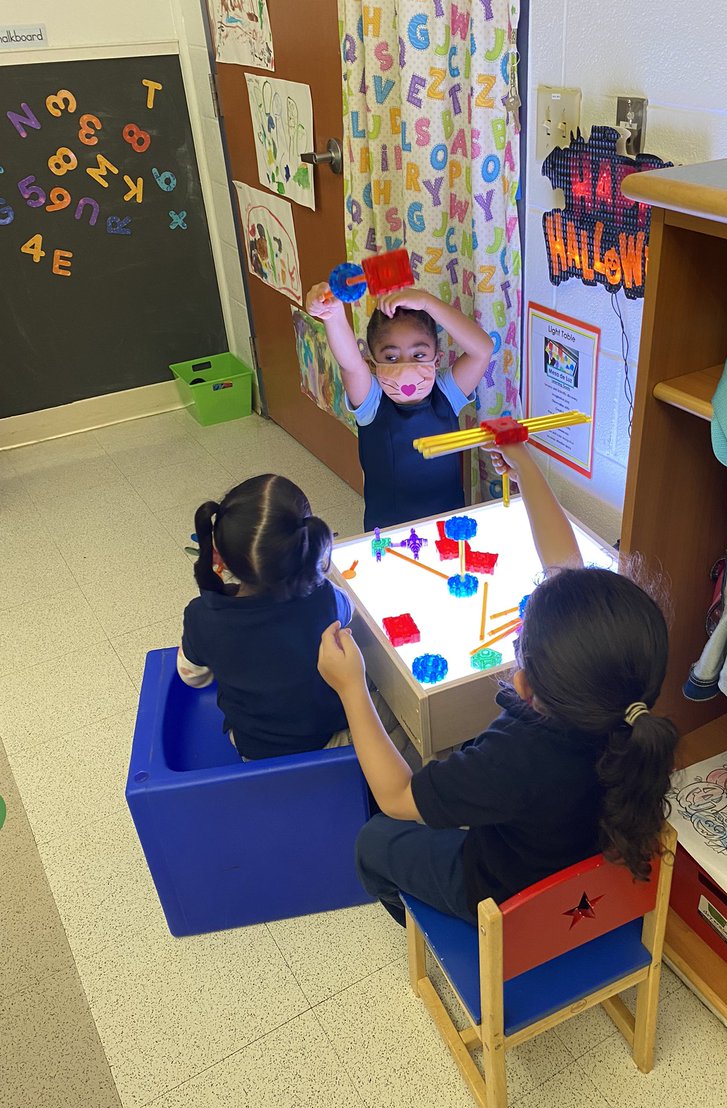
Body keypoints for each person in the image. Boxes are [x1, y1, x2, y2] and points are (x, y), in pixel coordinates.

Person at [317, 442, 678, 925]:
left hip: (502, 896)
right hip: (582, 868)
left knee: (375, 840)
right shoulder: (624, 696)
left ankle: (438, 930)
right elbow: (568, 573)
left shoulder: (511, 757)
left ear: (525, 684)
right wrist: (524, 464)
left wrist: (352, 689)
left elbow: (398, 797)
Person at [177, 474, 353, 761]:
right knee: (392, 713)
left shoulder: (202, 616)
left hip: (253, 748)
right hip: (327, 741)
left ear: (218, 557)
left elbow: (193, 678)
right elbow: (349, 611)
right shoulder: (325, 597)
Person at [305, 282, 493, 531]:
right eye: (391, 358)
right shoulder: (372, 402)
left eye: (418, 355)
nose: (406, 368)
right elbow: (350, 364)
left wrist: (427, 302)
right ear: (373, 363)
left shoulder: (447, 394)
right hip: (391, 535)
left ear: (437, 359)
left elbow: (483, 350)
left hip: (448, 529)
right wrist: (333, 314)